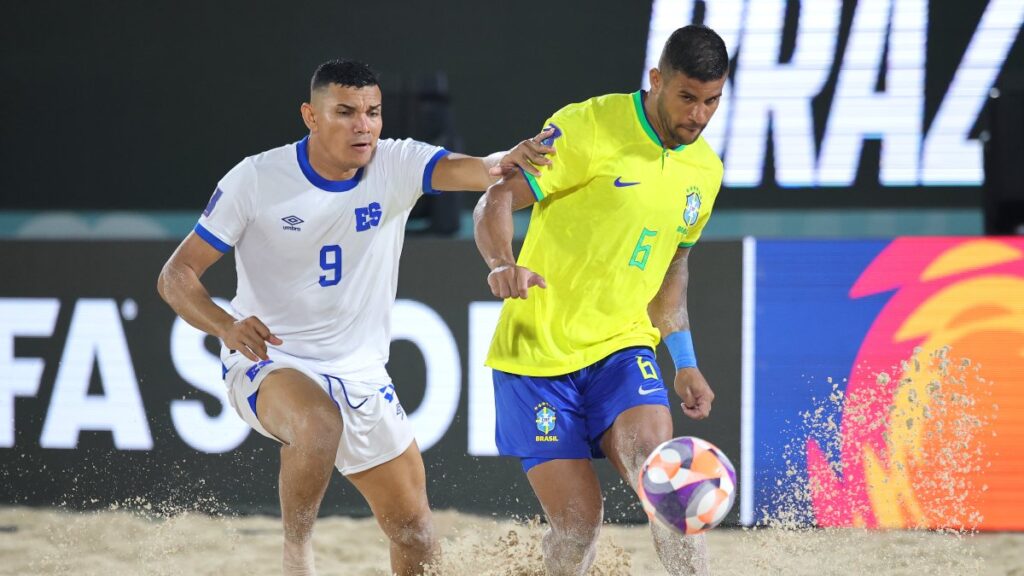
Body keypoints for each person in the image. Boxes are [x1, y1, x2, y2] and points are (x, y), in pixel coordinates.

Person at [157, 59, 552, 576]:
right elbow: (176, 276)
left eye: (372, 112)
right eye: (345, 112)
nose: (363, 125)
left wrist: (506, 159)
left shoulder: (395, 163)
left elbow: (478, 167)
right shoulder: (256, 179)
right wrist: (226, 325)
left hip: (361, 375)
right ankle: (297, 558)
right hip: (270, 360)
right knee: (319, 424)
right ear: (310, 116)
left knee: (415, 533)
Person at [473, 25, 727, 576]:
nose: (699, 116)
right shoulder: (587, 125)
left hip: (621, 346)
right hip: (533, 357)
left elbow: (673, 263)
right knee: (578, 526)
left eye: (712, 101)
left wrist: (683, 361)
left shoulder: (705, 171)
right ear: (656, 79)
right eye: (687, 97)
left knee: (670, 487)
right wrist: (501, 264)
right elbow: (495, 197)